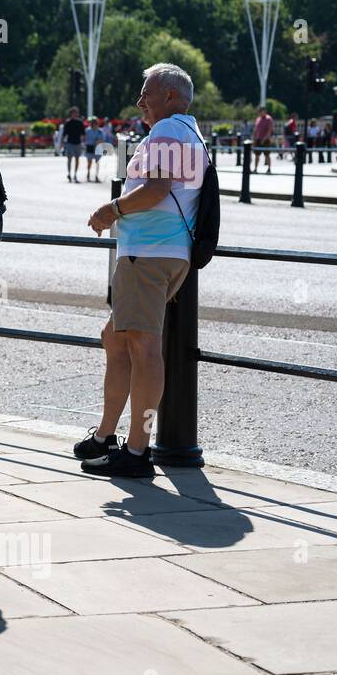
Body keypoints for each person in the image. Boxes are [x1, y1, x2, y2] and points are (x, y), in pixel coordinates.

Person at [77, 63, 204, 477]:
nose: (140, 102)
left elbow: (156, 189)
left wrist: (109, 210)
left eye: (146, 93)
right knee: (115, 338)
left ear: (170, 96)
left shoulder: (168, 130)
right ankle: (106, 436)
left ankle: (136, 452)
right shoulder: (190, 131)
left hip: (147, 254)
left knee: (144, 349)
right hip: (164, 251)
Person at [61, 107, 85, 182]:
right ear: (71, 114)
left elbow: (83, 134)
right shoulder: (68, 122)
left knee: (77, 159)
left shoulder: (80, 122)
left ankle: (75, 174)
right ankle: (69, 173)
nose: (74, 114)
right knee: (69, 159)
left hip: (78, 143)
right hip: (70, 143)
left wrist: (83, 142)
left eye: (76, 112)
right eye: (73, 113)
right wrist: (62, 143)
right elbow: (64, 134)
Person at [252, 106, 274, 174]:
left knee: (267, 155)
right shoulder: (258, 119)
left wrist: (264, 139)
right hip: (258, 139)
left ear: (265, 111)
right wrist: (254, 139)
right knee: (257, 155)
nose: (260, 113)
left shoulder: (269, 119)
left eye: (261, 111)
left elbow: (269, 130)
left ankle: (269, 169)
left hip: (266, 140)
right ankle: (255, 169)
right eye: (259, 111)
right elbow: (255, 130)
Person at [83, 117, 104, 182]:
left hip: (97, 148)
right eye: (93, 123)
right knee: (89, 162)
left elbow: (102, 140)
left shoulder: (100, 131)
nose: (94, 124)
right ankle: (88, 174)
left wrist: (98, 141)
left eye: (96, 123)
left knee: (97, 162)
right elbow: (84, 139)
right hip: (89, 147)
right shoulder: (87, 130)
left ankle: (96, 176)